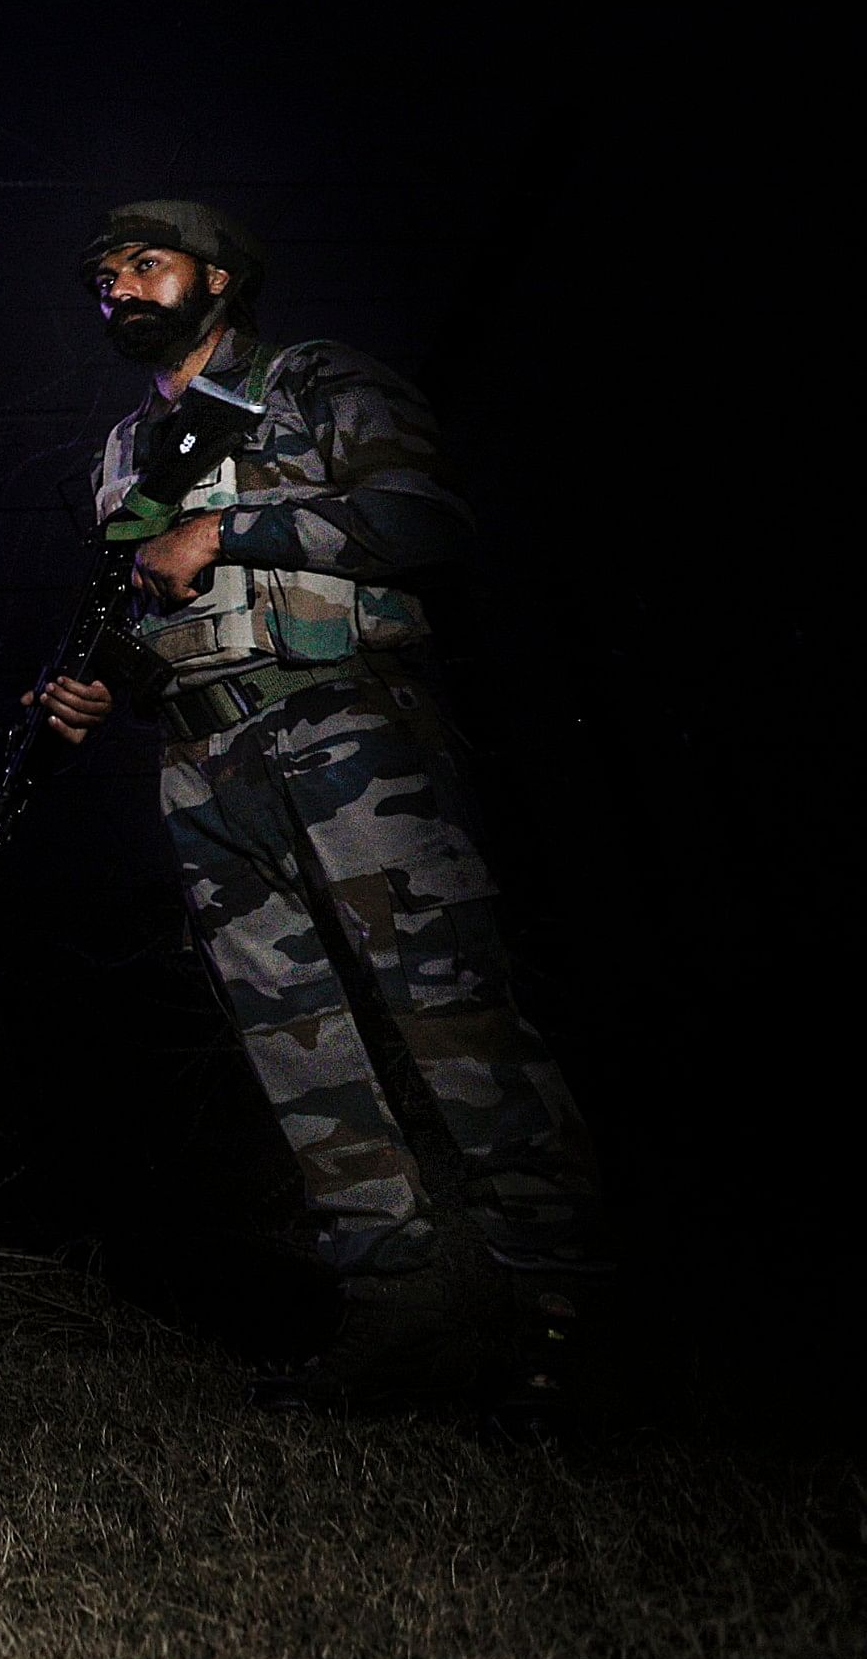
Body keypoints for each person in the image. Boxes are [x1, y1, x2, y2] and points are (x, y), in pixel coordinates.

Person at [31, 199, 608, 1420]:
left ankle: (564, 1312)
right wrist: (96, 681)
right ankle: (395, 1308)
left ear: (221, 277)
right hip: (203, 757)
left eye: (146, 263)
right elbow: (157, 616)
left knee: (452, 1011)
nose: (119, 286)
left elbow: (425, 520)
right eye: (104, 274)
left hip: (346, 729)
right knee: (296, 1041)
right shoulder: (127, 449)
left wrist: (229, 525)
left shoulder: (313, 380)